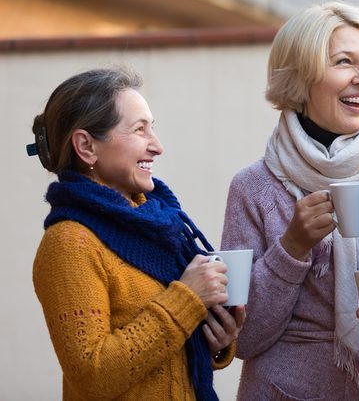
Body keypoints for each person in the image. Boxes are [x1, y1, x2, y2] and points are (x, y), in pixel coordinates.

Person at [220, 2, 359, 400]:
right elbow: (242, 339)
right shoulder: (253, 187)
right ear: (302, 77)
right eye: (344, 62)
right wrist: (292, 247)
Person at [29, 67, 245, 400]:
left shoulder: (160, 226)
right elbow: (93, 376)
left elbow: (161, 355)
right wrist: (187, 299)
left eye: (152, 129)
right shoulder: (70, 245)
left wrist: (212, 339)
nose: (157, 146)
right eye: (139, 130)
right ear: (86, 146)